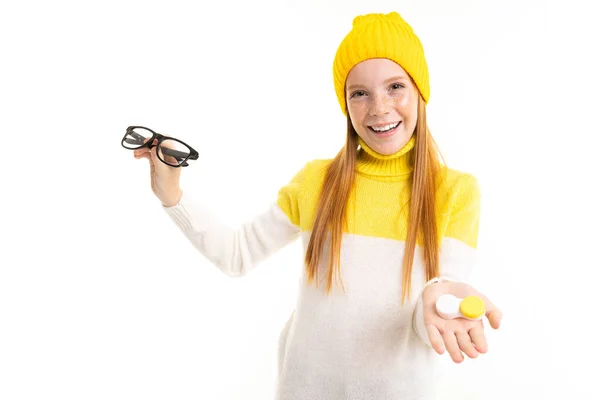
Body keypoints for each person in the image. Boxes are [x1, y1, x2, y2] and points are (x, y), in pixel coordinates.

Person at [133, 11, 502, 400]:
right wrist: (171, 194)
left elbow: (430, 318)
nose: (379, 107)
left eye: (395, 86)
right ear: (345, 103)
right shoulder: (316, 181)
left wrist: (435, 300)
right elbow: (237, 255)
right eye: (359, 92)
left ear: (420, 92)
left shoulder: (456, 193)